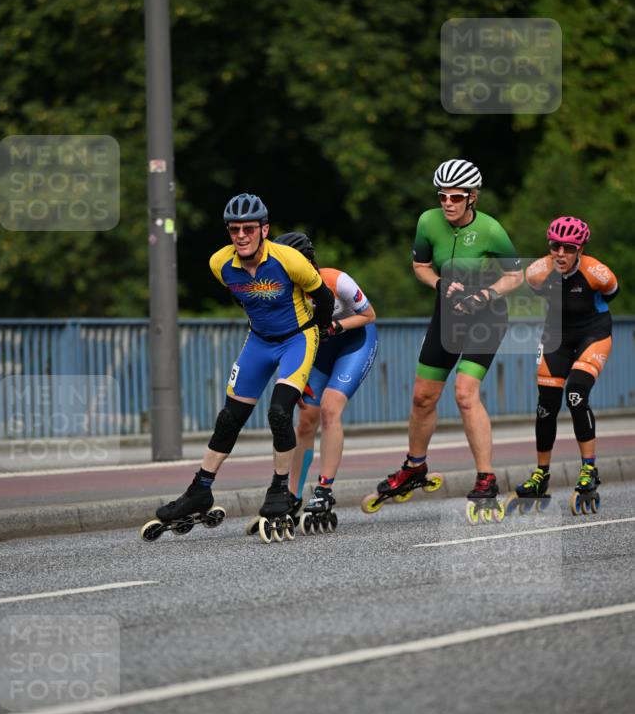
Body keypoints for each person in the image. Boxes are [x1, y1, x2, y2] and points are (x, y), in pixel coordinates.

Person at [156, 193, 334, 527]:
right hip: (259, 341)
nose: (241, 236)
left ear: (264, 230)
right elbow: (244, 299)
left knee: (279, 414)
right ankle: (200, 489)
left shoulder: (290, 260)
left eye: (248, 229)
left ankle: (281, 489)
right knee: (228, 418)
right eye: (234, 229)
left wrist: (321, 332)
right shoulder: (219, 264)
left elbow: (323, 298)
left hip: (298, 338)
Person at [375, 159, 523, 515]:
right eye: (442, 196)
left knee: (464, 394)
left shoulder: (491, 230)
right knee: (423, 397)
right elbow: (421, 266)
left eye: (456, 197)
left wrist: (485, 294)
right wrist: (440, 283)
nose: (448, 204)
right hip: (448, 316)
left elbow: (515, 276)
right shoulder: (428, 222)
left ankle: (486, 478)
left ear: (472, 197)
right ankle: (414, 466)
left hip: (486, 316)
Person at [512, 216, 618, 511]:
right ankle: (541, 474)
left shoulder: (598, 273)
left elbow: (611, 294)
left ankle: (589, 470)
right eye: (555, 246)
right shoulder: (537, 273)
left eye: (568, 248)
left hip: (593, 334)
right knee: (546, 405)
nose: (560, 253)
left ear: (580, 249)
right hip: (556, 335)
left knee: (576, 395)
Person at [275, 232, 378, 518]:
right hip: (320, 349)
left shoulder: (337, 280)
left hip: (354, 340)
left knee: (330, 410)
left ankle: (323, 490)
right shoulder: (284, 295)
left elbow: (370, 316)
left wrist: (335, 328)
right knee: (306, 420)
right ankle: (292, 496)